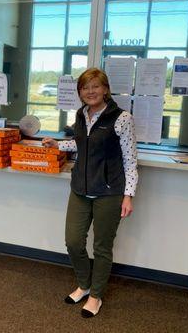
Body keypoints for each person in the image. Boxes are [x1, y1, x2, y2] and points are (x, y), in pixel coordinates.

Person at [43, 68, 138, 318]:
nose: (90, 92)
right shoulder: (81, 114)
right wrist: (58, 144)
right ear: (80, 92)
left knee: (102, 247)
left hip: (109, 193)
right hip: (80, 190)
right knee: (73, 242)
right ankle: (84, 285)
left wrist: (128, 195)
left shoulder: (121, 118)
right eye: (85, 88)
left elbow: (130, 159)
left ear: (105, 89)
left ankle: (95, 295)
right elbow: (81, 141)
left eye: (95, 86)